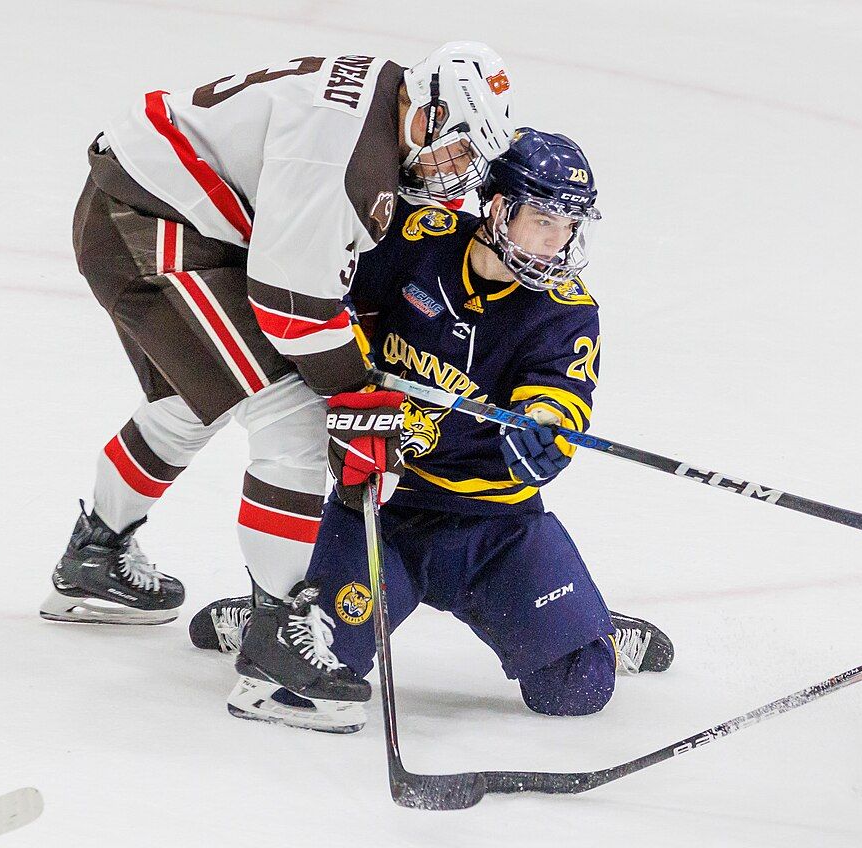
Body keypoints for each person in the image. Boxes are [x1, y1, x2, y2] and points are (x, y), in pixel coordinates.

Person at [43, 42, 515, 731]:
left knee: (187, 403)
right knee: (293, 417)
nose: (458, 173)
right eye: (460, 149)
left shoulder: (385, 97)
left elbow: (302, 263)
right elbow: (291, 305)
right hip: (154, 230)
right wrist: (355, 395)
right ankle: (276, 645)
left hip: (147, 208)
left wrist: (350, 380)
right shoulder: (347, 157)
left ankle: (95, 553)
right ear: (430, 112)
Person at [190, 128, 674, 732]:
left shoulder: (567, 308)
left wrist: (545, 431)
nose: (561, 240)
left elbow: (561, 393)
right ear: (499, 207)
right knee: (314, 676)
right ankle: (274, 608)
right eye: (546, 219)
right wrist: (355, 387)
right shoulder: (418, 244)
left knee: (576, 689)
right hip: (382, 510)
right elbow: (331, 302)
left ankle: (587, 623)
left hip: (495, 527)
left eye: (572, 224)